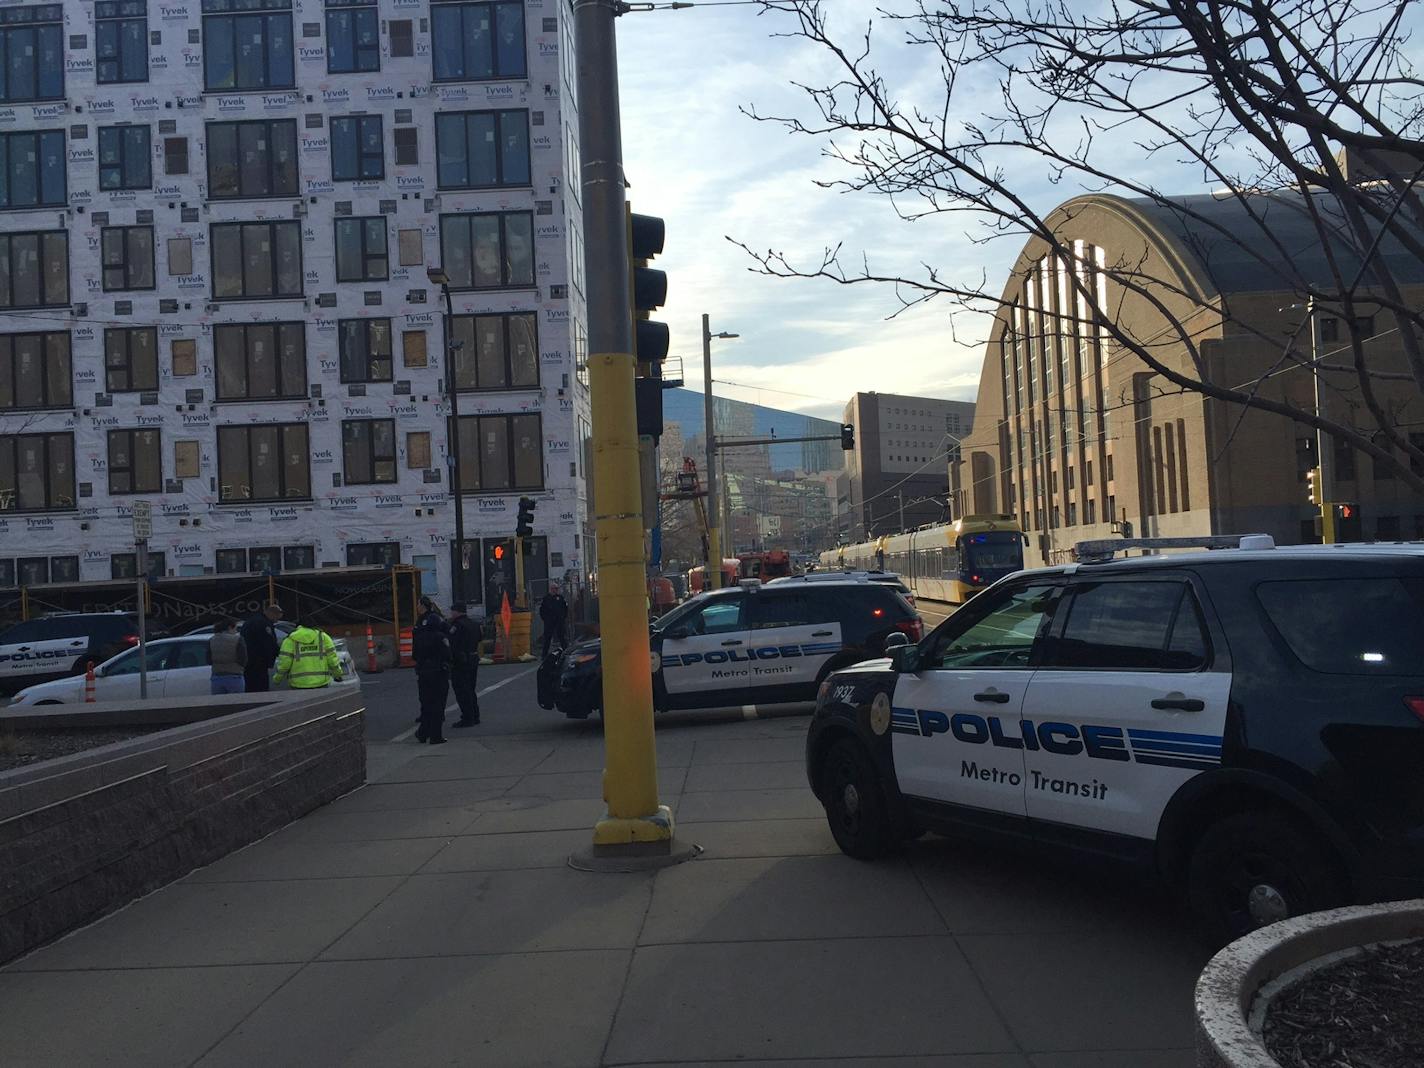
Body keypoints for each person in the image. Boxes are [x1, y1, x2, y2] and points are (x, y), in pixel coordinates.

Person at [412, 597, 451, 744]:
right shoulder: (440, 637)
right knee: (438, 704)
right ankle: (435, 735)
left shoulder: (418, 634)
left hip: (423, 671)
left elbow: (414, 655)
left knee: (427, 703)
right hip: (438, 671)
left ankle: (423, 732)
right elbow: (448, 655)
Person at [273, 617, 344, 690]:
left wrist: (277, 679)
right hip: (321, 682)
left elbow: (285, 662)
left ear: (299, 626)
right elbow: (332, 659)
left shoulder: (290, 639)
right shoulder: (323, 637)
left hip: (298, 683)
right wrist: (337, 674)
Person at [447, 602, 481, 728]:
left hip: (461, 661)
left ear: (456, 611)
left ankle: (467, 717)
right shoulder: (474, 624)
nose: (451, 613)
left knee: (462, 691)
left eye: (452, 611)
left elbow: (452, 644)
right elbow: (479, 639)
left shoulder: (457, 626)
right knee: (471, 689)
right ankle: (475, 715)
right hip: (473, 658)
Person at [240, 603, 282, 693]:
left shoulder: (250, 621)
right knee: (261, 689)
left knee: (250, 689)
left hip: (248, 662)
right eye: (277, 618)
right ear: (272, 614)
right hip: (259, 662)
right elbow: (269, 643)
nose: (277, 621)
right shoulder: (264, 624)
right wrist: (279, 653)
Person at [208, 618, 247, 695]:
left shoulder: (212, 640)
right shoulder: (238, 639)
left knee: (219, 704)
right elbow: (243, 658)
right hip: (234, 676)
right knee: (236, 702)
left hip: (217, 676)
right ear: (230, 627)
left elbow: (208, 660)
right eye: (235, 629)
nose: (236, 631)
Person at [539, 583, 569, 657]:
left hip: (559, 621)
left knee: (562, 637)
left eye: (556, 588)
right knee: (547, 638)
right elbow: (542, 610)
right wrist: (545, 619)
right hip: (549, 622)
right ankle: (544, 655)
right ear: (550, 589)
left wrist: (563, 617)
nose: (555, 590)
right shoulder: (546, 598)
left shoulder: (560, 598)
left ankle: (566, 652)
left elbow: (565, 608)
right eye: (554, 588)